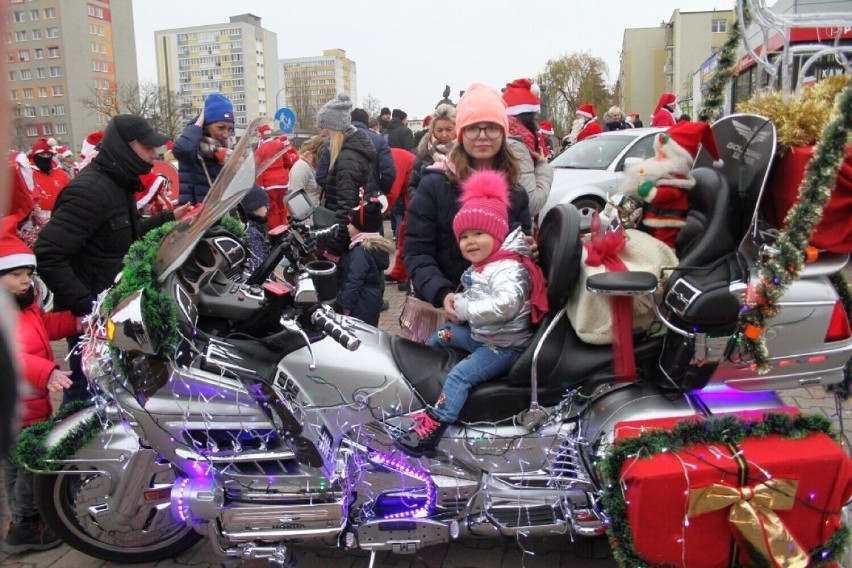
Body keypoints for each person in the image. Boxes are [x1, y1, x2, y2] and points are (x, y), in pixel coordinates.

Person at [34, 115, 190, 405]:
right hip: (92, 317)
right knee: (84, 396)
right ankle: (64, 450)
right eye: (148, 148)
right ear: (125, 147)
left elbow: (123, 237)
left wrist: (169, 218)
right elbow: (48, 253)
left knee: (107, 394)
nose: (154, 155)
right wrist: (87, 308)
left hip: (112, 311)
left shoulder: (119, 184)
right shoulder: (90, 191)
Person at [396, 170, 548, 456]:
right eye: (464, 236)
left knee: (460, 376)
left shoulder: (508, 268)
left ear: (498, 233)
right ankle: (432, 389)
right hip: (485, 334)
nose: (471, 241)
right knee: (441, 334)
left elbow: (505, 304)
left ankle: (436, 423)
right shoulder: (490, 262)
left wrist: (465, 308)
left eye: (479, 233)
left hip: (503, 346)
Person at [403, 83, 532, 311]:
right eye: (473, 128)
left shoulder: (516, 192)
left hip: (499, 313)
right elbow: (416, 252)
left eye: (491, 127)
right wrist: (442, 293)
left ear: (503, 132)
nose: (482, 136)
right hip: (447, 310)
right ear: (462, 133)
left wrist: (529, 251)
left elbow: (521, 253)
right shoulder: (434, 185)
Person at [1, 216, 78, 554]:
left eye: (28, 275)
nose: (24, 281)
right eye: (15, 275)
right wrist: (46, 372)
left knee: (18, 466)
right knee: (32, 465)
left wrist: (77, 321)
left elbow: (45, 327)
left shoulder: (25, 306)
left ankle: (24, 521)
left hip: (28, 406)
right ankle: (23, 527)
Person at [619, 120, 722, 248]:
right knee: (651, 242)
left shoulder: (677, 180)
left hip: (668, 220)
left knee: (664, 245)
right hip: (655, 217)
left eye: (664, 155)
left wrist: (650, 192)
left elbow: (670, 194)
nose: (658, 159)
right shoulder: (664, 173)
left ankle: (667, 264)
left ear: (678, 158)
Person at [387, 104, 458, 287]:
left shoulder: (462, 153)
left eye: (449, 129)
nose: (444, 134)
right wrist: (422, 200)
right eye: (439, 129)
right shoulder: (424, 153)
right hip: (425, 216)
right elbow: (412, 184)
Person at [315, 93, 377, 264]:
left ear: (334, 129)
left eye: (323, 128)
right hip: (349, 236)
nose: (321, 134)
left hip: (344, 241)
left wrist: (334, 248)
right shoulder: (350, 152)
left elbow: (345, 208)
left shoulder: (347, 158)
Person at [336, 199, 395, 326]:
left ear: (360, 229)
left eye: (351, 224)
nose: (347, 226)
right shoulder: (373, 248)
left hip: (360, 302)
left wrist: (345, 307)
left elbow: (354, 280)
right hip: (372, 300)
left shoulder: (360, 251)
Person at [502, 78, 554, 216]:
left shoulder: (504, 138)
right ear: (525, 118)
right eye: (535, 119)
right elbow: (531, 204)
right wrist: (543, 165)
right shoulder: (517, 148)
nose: (537, 126)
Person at [173, 92, 235, 205]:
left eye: (230, 128)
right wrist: (198, 123)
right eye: (221, 127)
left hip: (219, 211)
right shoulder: (193, 146)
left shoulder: (226, 148)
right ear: (206, 124)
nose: (226, 135)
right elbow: (181, 150)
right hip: (196, 213)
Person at [351, 107, 396, 196]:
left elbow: (321, 175)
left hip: (341, 197)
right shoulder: (379, 140)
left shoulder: (336, 139)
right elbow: (388, 172)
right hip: (371, 195)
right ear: (367, 120)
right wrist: (381, 190)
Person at [29, 138, 70, 219]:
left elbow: (69, 194)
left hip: (61, 218)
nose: (46, 157)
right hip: (36, 221)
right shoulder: (29, 174)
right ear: (35, 156)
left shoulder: (61, 173)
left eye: (48, 154)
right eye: (42, 154)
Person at [288, 135, 325, 208]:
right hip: (306, 215)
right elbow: (295, 196)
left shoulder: (316, 166)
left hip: (316, 213)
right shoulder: (301, 167)